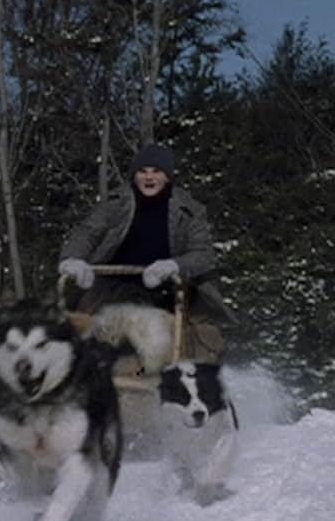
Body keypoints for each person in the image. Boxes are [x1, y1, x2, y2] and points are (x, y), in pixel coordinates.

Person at [58, 143, 234, 360]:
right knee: (80, 328)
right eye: (143, 171)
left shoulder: (189, 210)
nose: (149, 177)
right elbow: (88, 232)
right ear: (135, 176)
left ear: (167, 176)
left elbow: (203, 254)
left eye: (156, 171)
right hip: (112, 286)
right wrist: (73, 259)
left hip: (167, 289)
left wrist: (174, 266)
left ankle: (189, 381)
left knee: (200, 338)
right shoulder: (116, 204)